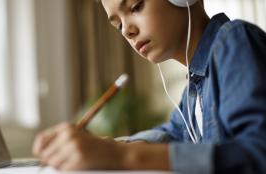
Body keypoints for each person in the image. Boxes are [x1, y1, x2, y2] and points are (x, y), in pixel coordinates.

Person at [32, 0, 266, 173]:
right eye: (117, 25)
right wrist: (107, 146)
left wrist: (121, 156)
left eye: (135, 7)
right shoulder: (196, 85)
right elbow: (171, 133)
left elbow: (259, 154)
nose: (126, 30)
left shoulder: (235, 42)